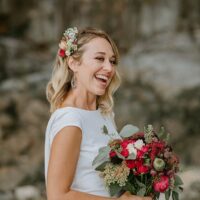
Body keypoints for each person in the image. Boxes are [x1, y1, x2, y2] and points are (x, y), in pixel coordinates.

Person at [44, 27, 152, 200]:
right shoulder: (71, 120)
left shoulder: (104, 114)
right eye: (99, 58)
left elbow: (103, 184)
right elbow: (57, 196)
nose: (109, 68)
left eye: (112, 61)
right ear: (74, 63)